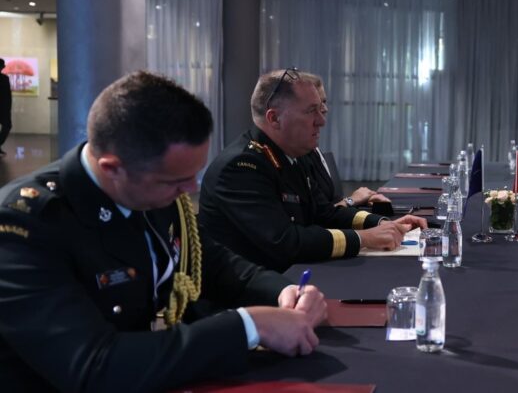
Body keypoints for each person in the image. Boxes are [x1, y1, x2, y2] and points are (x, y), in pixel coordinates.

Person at [0, 71, 327, 391]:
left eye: (193, 175)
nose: (189, 190)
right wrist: (247, 326)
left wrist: (284, 292)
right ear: (112, 168)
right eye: (176, 180)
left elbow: (216, 264)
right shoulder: (24, 227)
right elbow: (95, 367)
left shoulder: (148, 186)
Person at [199, 68, 426, 272]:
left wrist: (382, 224)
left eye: (321, 110)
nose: (321, 121)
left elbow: (324, 213)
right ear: (274, 118)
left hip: (293, 274)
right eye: (311, 111)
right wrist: (364, 238)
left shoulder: (293, 154)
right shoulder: (241, 167)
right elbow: (285, 242)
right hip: (255, 292)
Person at [304, 75, 390, 209]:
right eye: (313, 107)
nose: (325, 109)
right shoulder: (299, 154)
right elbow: (319, 215)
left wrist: (357, 200)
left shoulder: (311, 146)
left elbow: (327, 205)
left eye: (324, 101)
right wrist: (351, 200)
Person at [0, 58, 11, 157]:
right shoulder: (5, 78)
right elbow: (8, 95)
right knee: (7, 126)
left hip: (3, 108)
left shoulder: (5, 78)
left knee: (7, 126)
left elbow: (8, 94)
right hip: (3, 108)